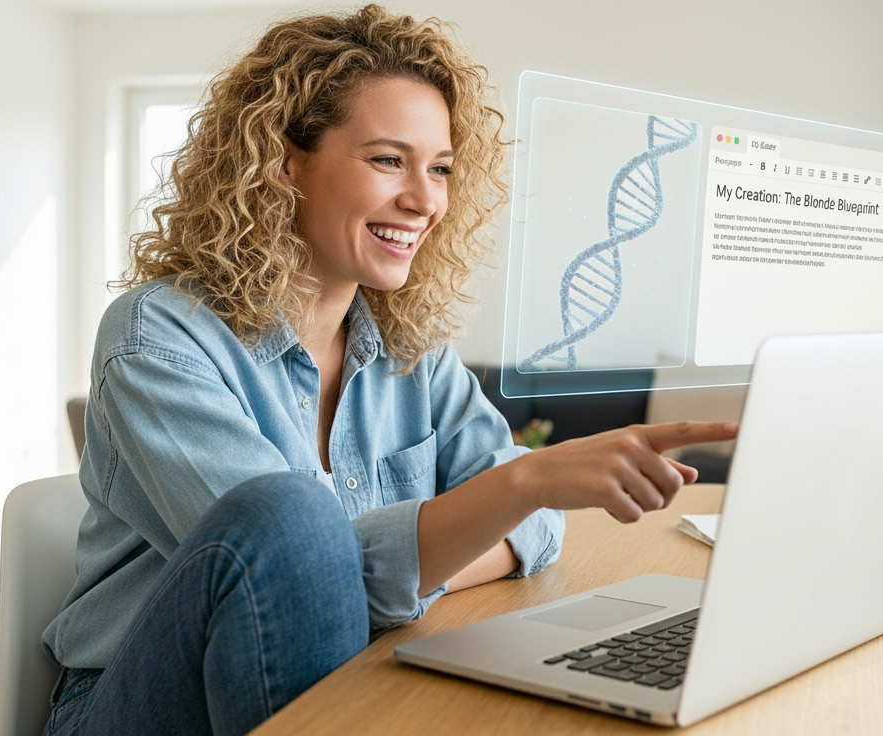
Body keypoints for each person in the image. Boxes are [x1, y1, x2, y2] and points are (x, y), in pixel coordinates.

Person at [40, 6, 737, 735]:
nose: (426, 199)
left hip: (347, 677)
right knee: (293, 515)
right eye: (386, 160)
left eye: (439, 169)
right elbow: (304, 574)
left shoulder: (412, 348)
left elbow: (537, 532)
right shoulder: (159, 339)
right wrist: (521, 483)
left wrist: (442, 545)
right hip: (141, 706)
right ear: (284, 160)